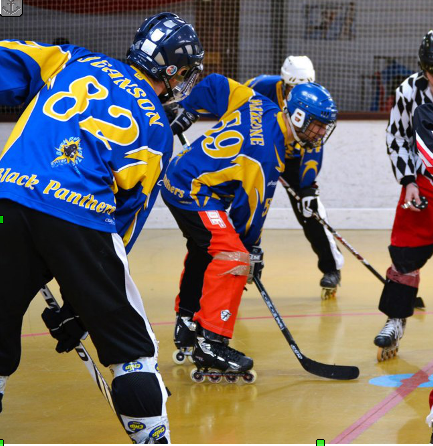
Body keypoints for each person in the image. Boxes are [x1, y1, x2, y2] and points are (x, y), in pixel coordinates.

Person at [0, 12, 203, 443]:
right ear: (170, 71)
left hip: (8, 200)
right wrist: (80, 305)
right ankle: (151, 436)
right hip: (82, 218)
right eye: (185, 73)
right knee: (132, 351)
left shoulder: (72, 60)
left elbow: (8, 61)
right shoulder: (157, 129)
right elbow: (124, 224)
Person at [161, 73, 337, 381]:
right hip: (192, 191)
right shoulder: (268, 155)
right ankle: (211, 343)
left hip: (184, 178)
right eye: (317, 124)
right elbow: (249, 214)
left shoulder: (259, 103)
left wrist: (189, 108)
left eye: (325, 126)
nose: (321, 132)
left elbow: (215, 84)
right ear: (297, 116)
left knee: (207, 248)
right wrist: (251, 251)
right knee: (234, 257)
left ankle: (188, 320)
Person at [244, 55, 344, 299]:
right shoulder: (259, 87)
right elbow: (237, 113)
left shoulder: (316, 98)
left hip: (295, 158)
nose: (297, 92)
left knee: (310, 211)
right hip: (262, 154)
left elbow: (316, 144)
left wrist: (308, 186)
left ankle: (331, 268)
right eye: (292, 87)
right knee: (247, 207)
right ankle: (243, 260)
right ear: (284, 82)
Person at [373, 30, 433, 362]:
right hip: (423, 186)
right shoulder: (408, 91)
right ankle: (395, 320)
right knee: (405, 252)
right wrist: (408, 180)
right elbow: (397, 139)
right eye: (429, 71)